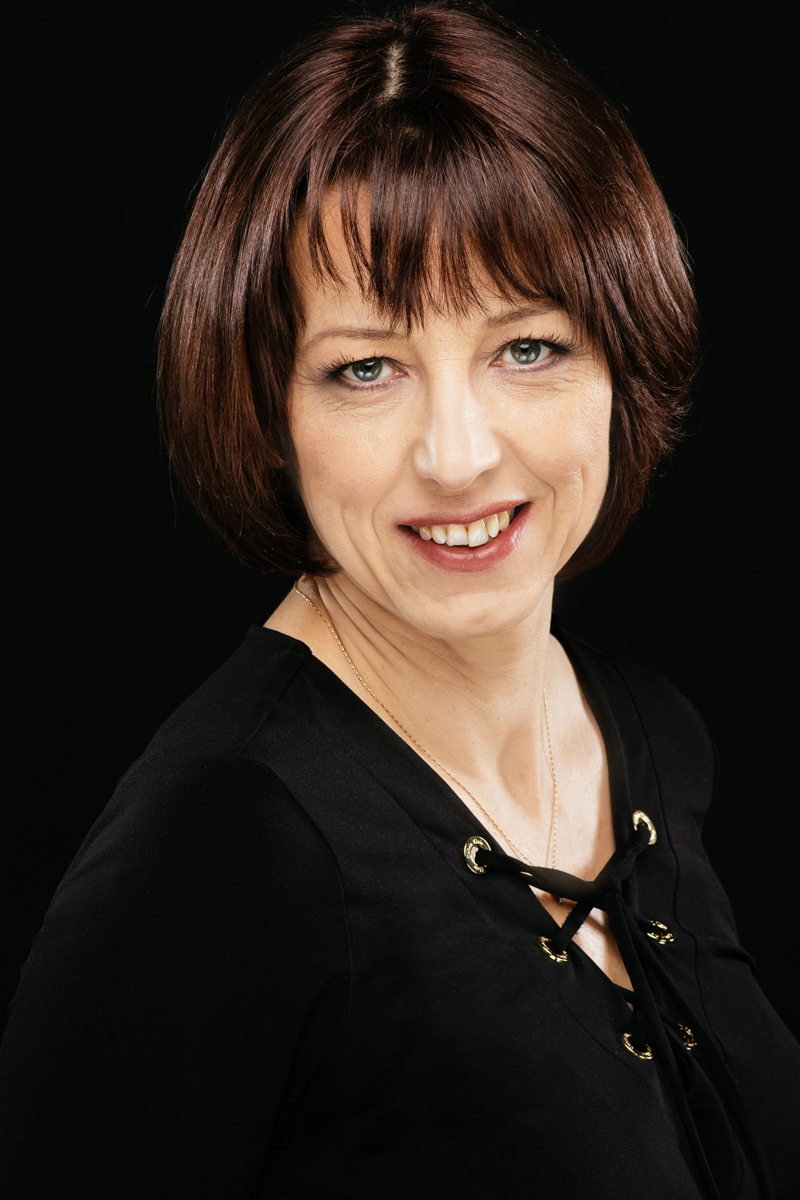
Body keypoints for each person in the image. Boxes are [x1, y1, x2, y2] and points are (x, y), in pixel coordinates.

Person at [2, 2, 797, 1196]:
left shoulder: (649, 738)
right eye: (364, 369)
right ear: (266, 409)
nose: (457, 455)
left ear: (618, 357)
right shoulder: (221, 844)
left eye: (526, 347)